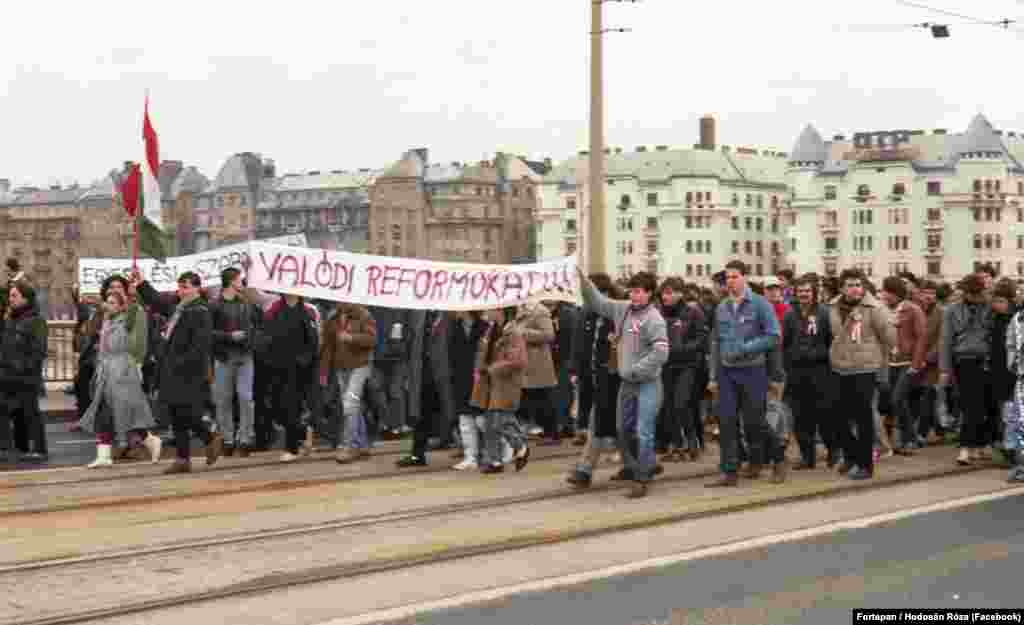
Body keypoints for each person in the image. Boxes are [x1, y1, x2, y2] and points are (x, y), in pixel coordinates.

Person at [577, 269, 669, 498]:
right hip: (626, 384)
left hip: (648, 383)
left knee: (643, 430)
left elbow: (661, 352)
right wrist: (582, 280)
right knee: (622, 430)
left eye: (638, 292)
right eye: (632, 291)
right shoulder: (622, 309)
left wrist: (637, 369)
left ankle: (642, 477)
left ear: (649, 294)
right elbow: (597, 302)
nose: (633, 296)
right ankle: (640, 466)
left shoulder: (654, 319)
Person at [131, 269, 223, 474]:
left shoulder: (201, 311)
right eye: (180, 287)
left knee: (186, 413)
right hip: (171, 368)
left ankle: (208, 438)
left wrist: (181, 363)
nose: (181, 291)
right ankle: (183, 458)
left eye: (186, 287)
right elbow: (158, 302)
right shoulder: (180, 308)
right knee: (175, 414)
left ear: (197, 288)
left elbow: (200, 346)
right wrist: (142, 283)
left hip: (188, 372)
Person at [706, 261, 783, 487]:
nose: (730, 281)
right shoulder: (722, 307)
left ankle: (778, 459)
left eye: (734, 276)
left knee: (755, 422)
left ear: (745, 278)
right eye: (727, 278)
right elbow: (715, 342)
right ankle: (730, 471)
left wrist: (746, 347)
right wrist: (713, 375)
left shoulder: (760, 305)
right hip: (727, 372)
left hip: (753, 370)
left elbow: (774, 336)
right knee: (727, 421)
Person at [77, 290, 162, 466]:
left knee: (127, 414)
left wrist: (133, 291)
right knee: (105, 413)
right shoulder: (106, 321)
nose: (110, 305)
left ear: (123, 306)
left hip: (123, 371)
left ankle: (150, 440)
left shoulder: (128, 319)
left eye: (114, 303)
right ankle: (104, 455)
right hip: (107, 371)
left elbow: (135, 311)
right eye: (108, 302)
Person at [829, 269, 897, 480]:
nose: (855, 289)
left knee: (863, 417)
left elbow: (890, 339)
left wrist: (882, 368)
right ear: (842, 288)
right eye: (850, 285)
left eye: (858, 284)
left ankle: (865, 465)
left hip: (865, 368)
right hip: (840, 368)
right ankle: (851, 456)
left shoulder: (874, 308)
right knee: (837, 417)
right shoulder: (832, 307)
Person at [941, 273, 994, 466]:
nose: (974, 296)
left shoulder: (990, 307)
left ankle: (978, 444)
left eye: (977, 292)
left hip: (987, 359)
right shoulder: (951, 310)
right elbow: (946, 340)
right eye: (970, 293)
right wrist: (945, 369)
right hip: (964, 360)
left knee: (983, 404)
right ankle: (967, 446)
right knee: (969, 404)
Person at [782, 275, 835, 469]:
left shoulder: (824, 313)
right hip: (796, 374)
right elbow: (784, 343)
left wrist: (819, 355)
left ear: (814, 294)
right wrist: (788, 362)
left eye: (807, 291)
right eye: (800, 291)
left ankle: (833, 452)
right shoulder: (790, 314)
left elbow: (832, 342)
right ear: (796, 293)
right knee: (800, 418)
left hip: (820, 373)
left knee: (825, 416)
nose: (804, 294)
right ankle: (807, 457)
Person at [210, 268, 263, 457]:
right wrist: (229, 336)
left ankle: (246, 438)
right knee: (223, 400)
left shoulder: (246, 303)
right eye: (240, 279)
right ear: (232, 281)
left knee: (245, 397)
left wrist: (251, 339)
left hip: (245, 356)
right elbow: (208, 332)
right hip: (224, 357)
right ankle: (228, 439)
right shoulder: (214, 305)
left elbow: (257, 325)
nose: (242, 282)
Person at [469, 308, 530, 474]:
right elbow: (484, 352)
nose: (487, 310)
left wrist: (492, 369)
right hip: (490, 383)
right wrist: (481, 368)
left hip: (505, 383)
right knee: (490, 424)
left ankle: (521, 446)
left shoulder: (513, 332)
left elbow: (518, 361)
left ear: (500, 310)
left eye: (491, 307)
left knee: (500, 421)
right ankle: (494, 461)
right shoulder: (492, 329)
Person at [657, 277, 707, 462]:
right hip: (665, 366)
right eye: (663, 293)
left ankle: (692, 441)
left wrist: (683, 349)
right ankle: (676, 445)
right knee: (668, 407)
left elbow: (702, 338)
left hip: (687, 365)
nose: (665, 296)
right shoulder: (658, 313)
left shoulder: (693, 312)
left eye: (669, 293)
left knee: (681, 403)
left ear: (680, 293)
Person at [321, 303, 377, 464]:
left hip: (360, 366)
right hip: (341, 368)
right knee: (353, 406)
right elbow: (328, 346)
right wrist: (324, 371)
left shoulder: (364, 315)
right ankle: (363, 444)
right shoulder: (333, 317)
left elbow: (372, 340)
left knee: (350, 404)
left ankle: (348, 446)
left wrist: (352, 338)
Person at [0, 281, 46, 463]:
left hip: (26, 377)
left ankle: (39, 449)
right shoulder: (11, 319)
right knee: (9, 410)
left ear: (26, 298)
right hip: (8, 374)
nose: (10, 299)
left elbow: (39, 351)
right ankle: (16, 447)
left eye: (14, 296)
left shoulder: (37, 321)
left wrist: (21, 366)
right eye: (10, 295)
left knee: (30, 412)